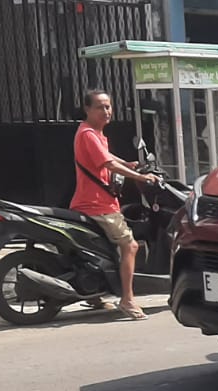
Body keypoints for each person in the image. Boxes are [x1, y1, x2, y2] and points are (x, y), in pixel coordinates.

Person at [72, 89, 159, 321]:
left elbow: (107, 157)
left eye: (108, 106)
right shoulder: (88, 134)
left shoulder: (94, 134)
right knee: (130, 246)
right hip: (97, 204)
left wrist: (130, 164)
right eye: (100, 106)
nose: (106, 111)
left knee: (104, 249)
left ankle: (94, 296)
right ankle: (128, 299)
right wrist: (140, 177)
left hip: (92, 202)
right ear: (87, 109)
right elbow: (108, 164)